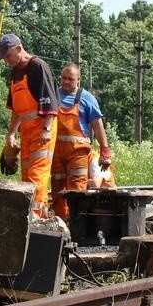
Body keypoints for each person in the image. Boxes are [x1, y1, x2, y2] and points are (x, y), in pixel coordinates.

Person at [0, 33, 59, 217]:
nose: (6, 60)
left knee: (37, 174)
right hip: (26, 130)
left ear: (19, 48)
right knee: (26, 175)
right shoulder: (15, 72)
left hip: (42, 128)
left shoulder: (37, 66)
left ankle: (37, 216)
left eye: (8, 55)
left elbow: (51, 101)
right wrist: (11, 133)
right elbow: (16, 108)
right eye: (4, 58)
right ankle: (30, 214)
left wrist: (47, 129)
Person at [50, 62, 111, 219]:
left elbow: (98, 125)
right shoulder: (54, 95)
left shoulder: (86, 98)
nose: (66, 81)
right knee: (57, 192)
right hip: (55, 152)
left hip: (77, 154)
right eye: (63, 78)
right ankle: (62, 224)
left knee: (77, 191)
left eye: (70, 79)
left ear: (78, 79)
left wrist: (105, 150)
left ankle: (78, 226)